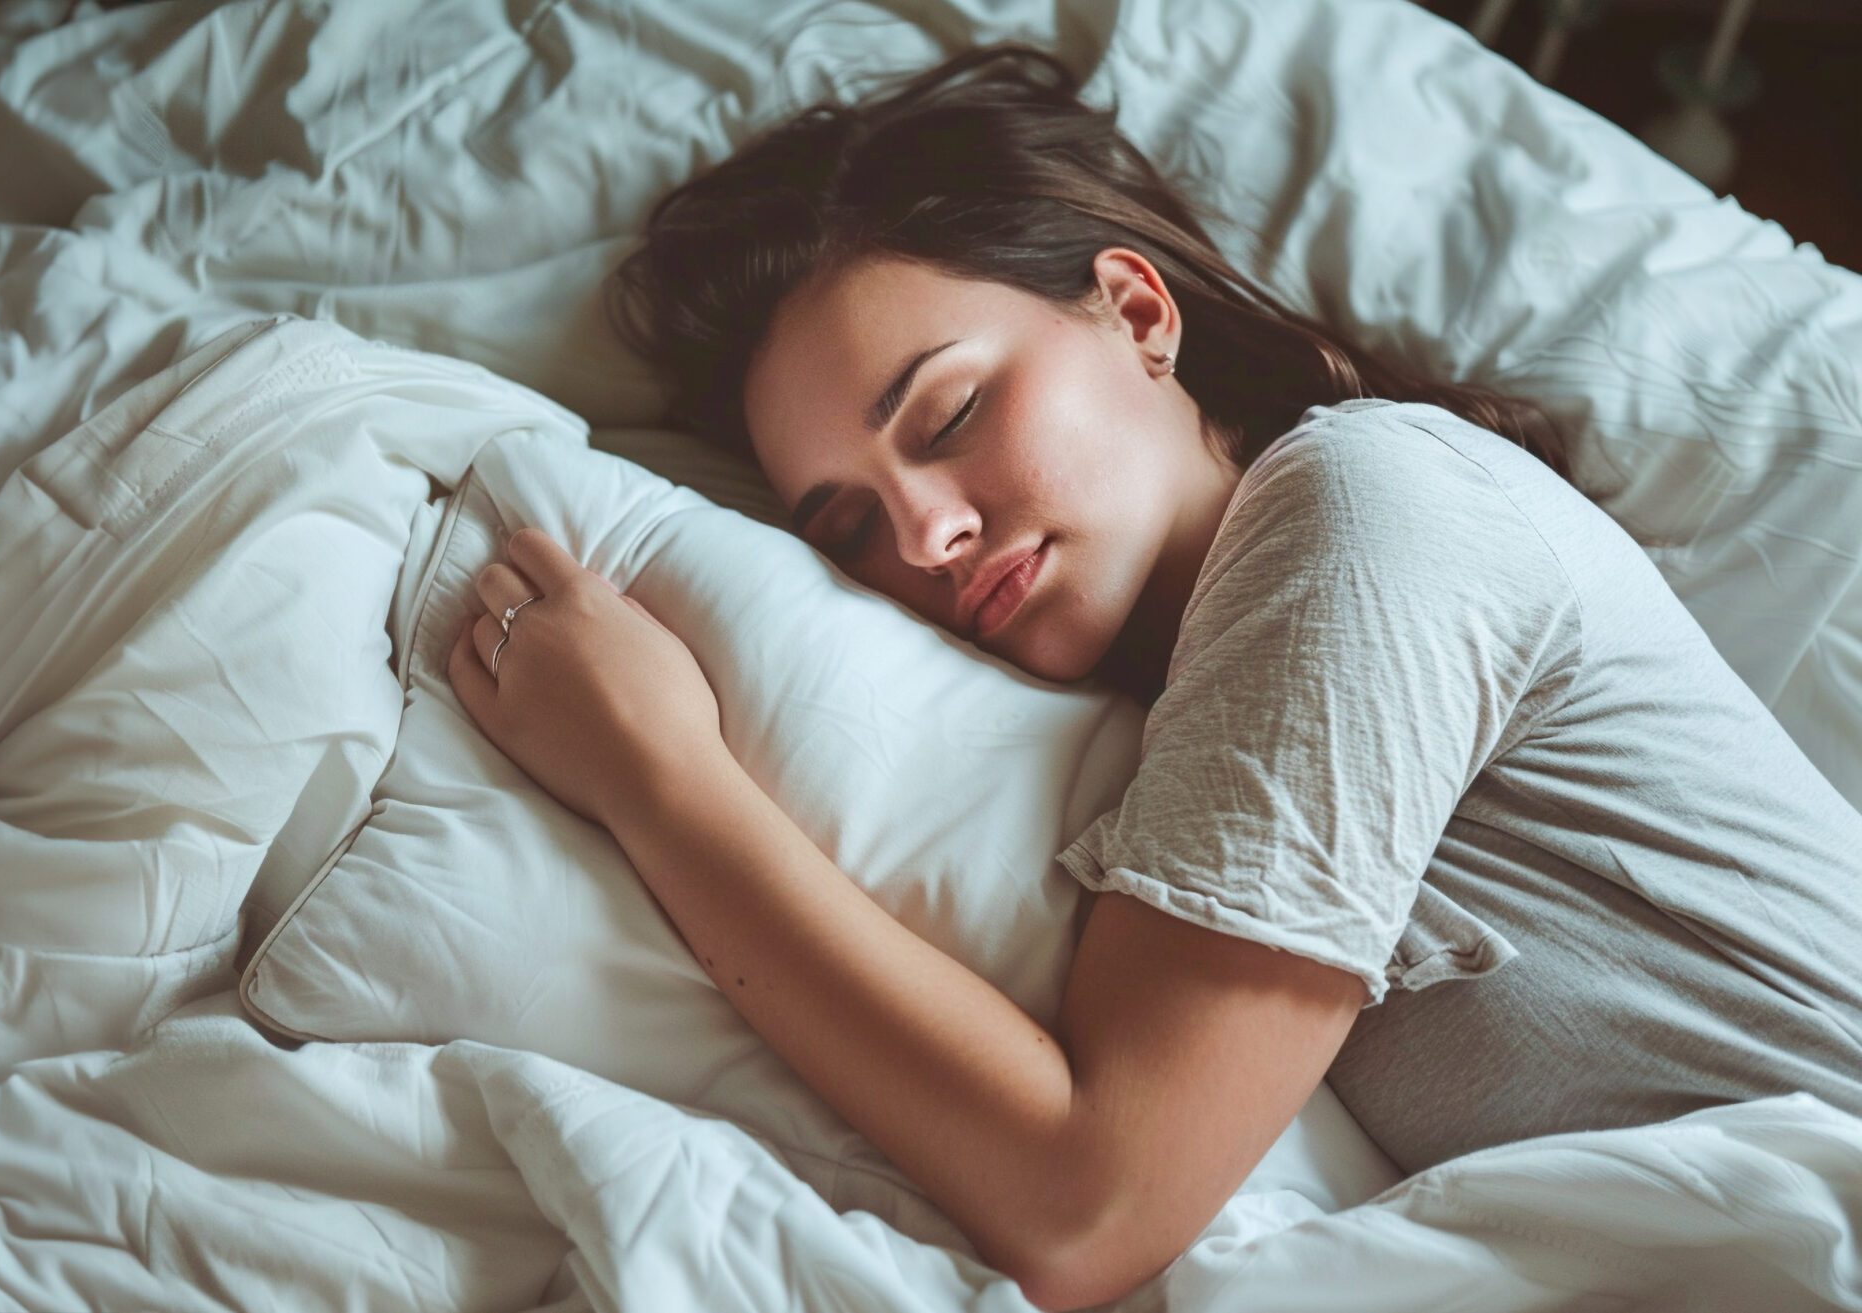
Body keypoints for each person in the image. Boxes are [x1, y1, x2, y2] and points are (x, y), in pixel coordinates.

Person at [445, 45, 1862, 1312]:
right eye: (848, 526)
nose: (927, 536)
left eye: (949, 411)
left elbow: (1089, 1203)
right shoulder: (1163, 708)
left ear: (1135, 313)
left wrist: (660, 775)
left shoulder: (1361, 505)